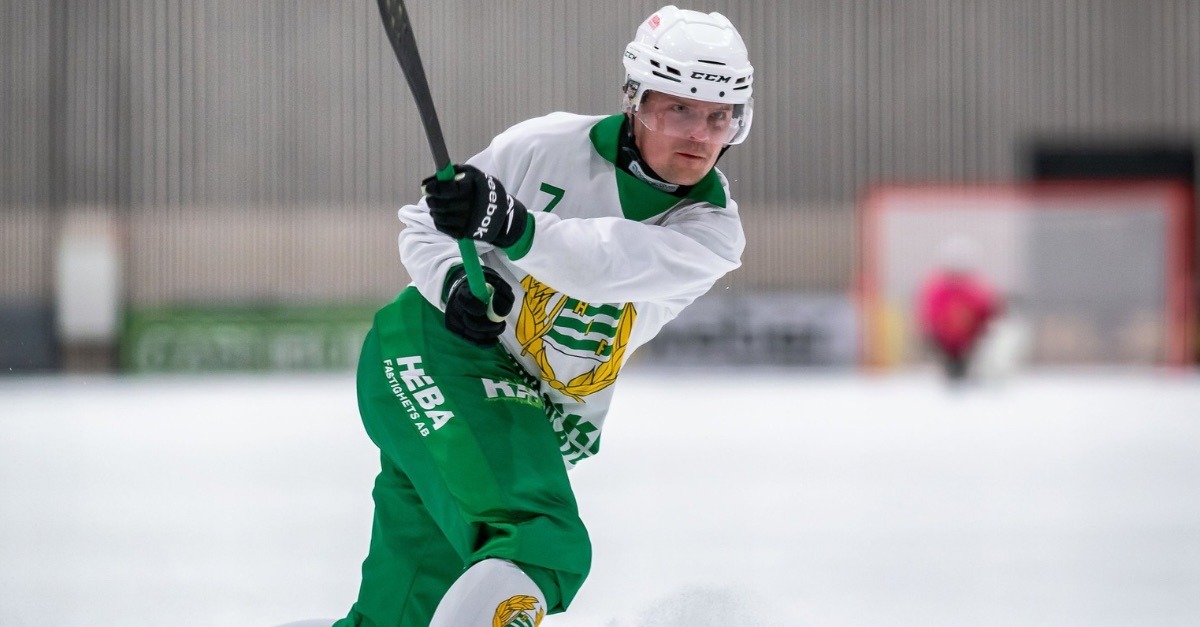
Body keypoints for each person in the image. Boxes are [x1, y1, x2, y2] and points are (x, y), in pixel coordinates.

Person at [334, 6, 754, 626]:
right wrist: (453, 281)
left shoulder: (711, 234)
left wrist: (514, 226)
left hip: (522, 401)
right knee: (540, 541)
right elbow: (424, 225)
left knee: (405, 612)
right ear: (635, 100)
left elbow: (608, 264)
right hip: (434, 351)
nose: (699, 135)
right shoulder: (543, 145)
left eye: (719, 116)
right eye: (679, 109)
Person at [916, 235, 1001, 383]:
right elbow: (930, 318)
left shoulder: (977, 288)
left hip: (972, 347)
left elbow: (987, 314)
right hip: (945, 346)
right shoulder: (937, 288)